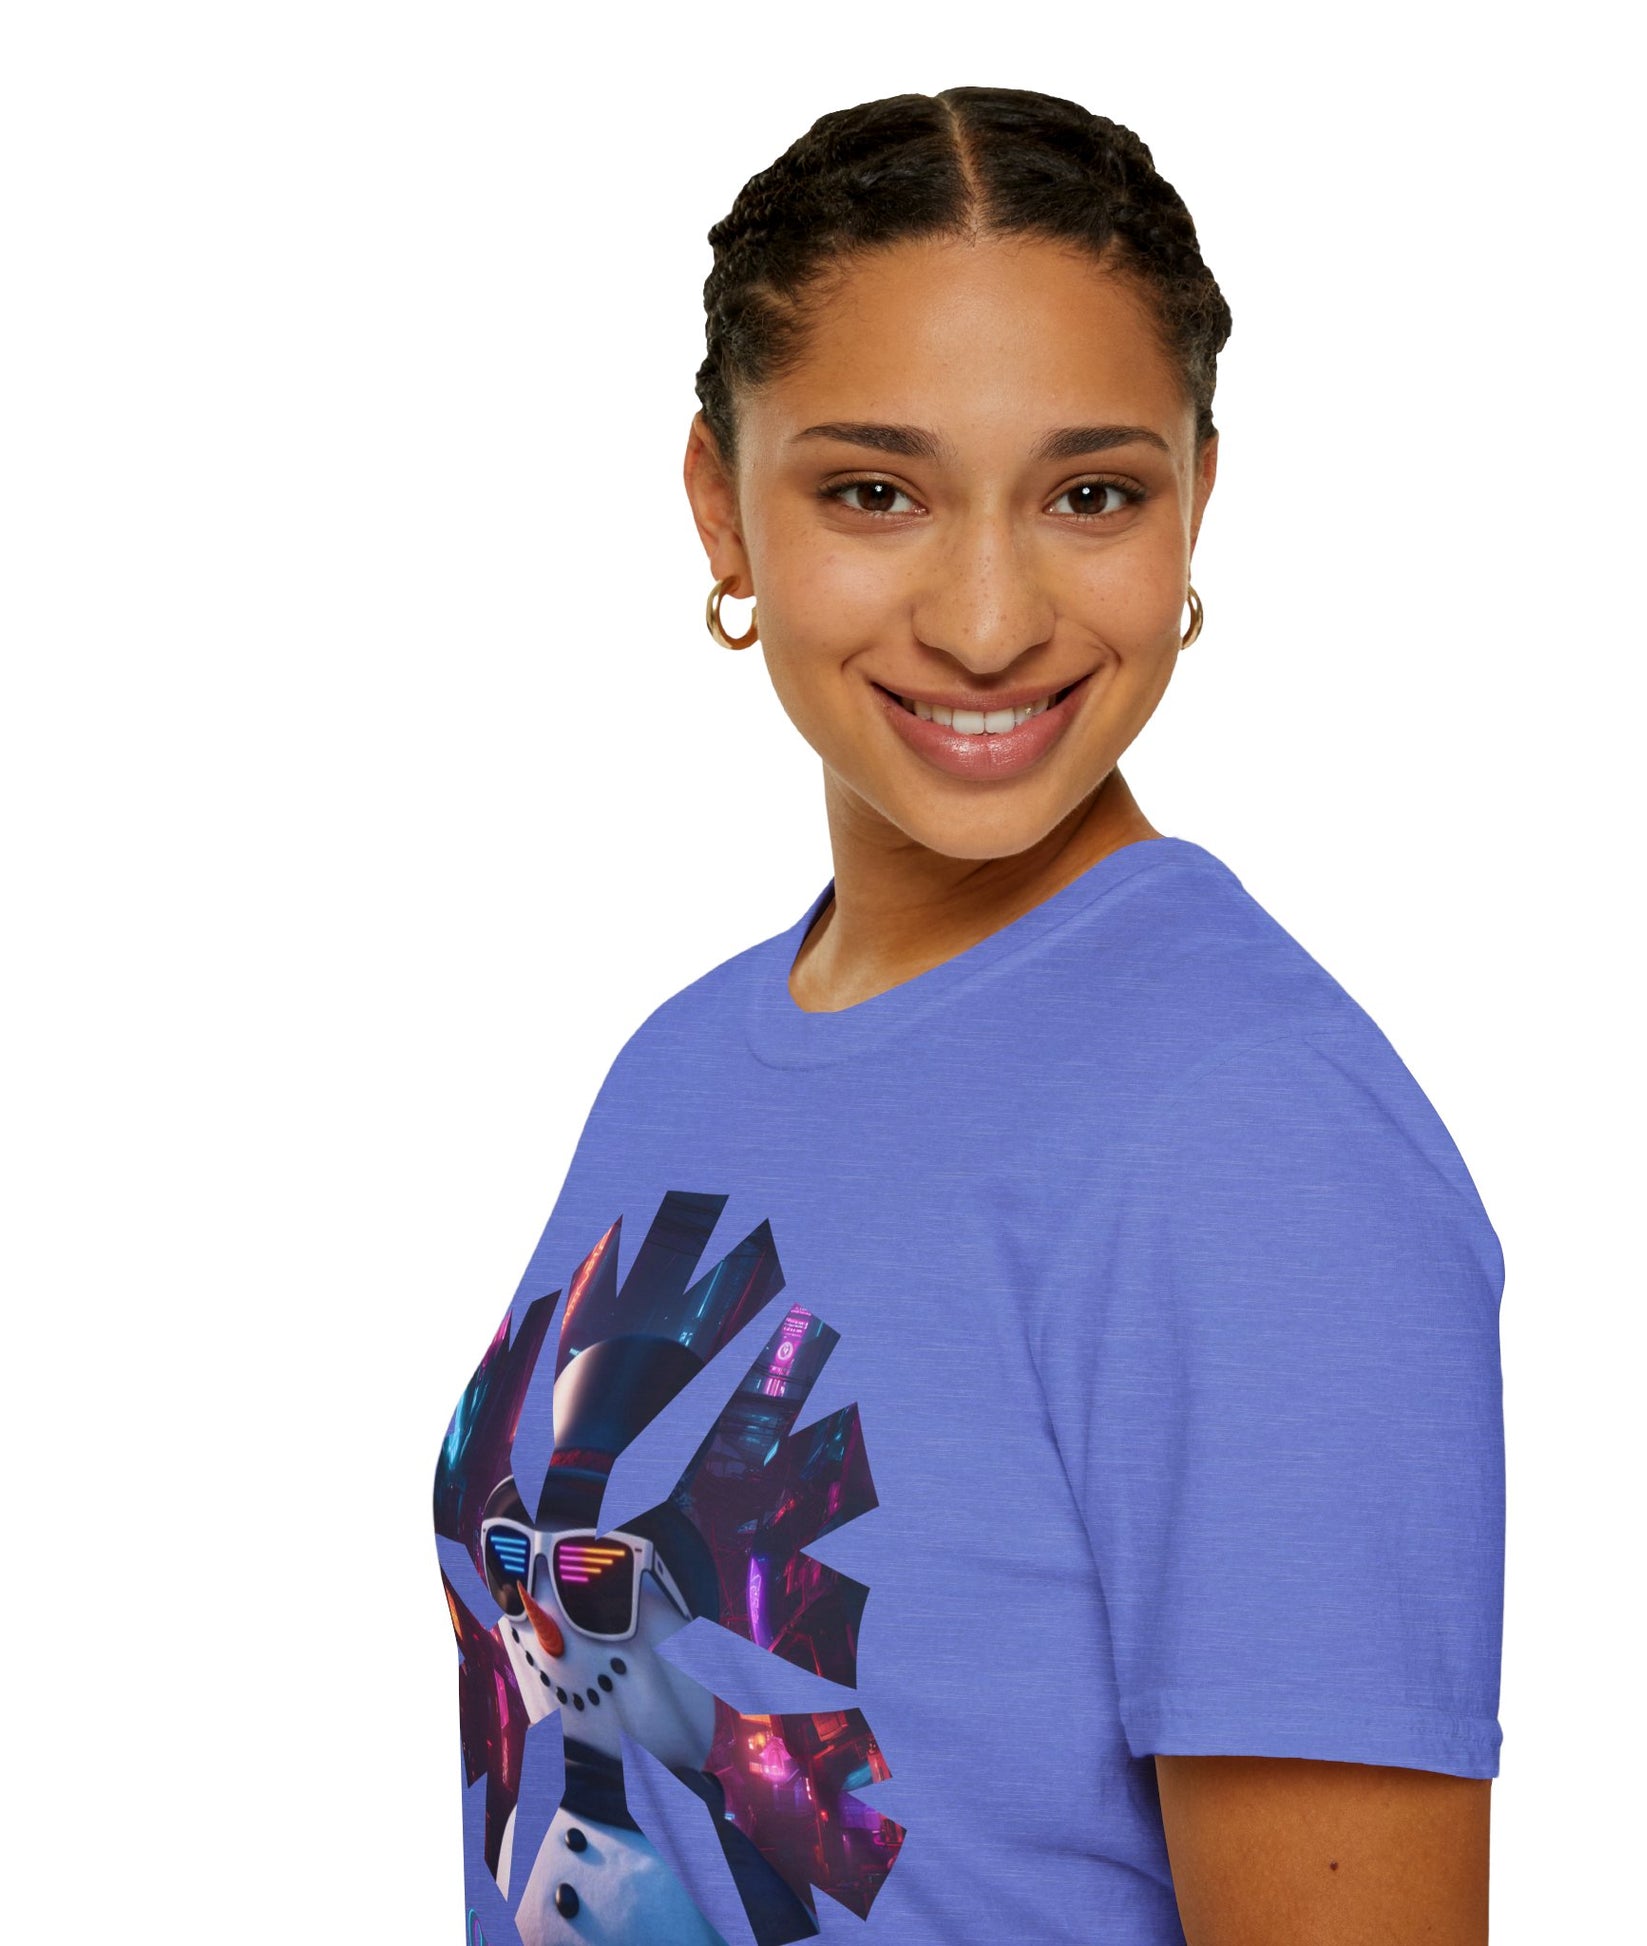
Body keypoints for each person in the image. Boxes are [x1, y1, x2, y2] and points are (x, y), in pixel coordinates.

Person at [432, 85, 1505, 1946]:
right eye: (875, 491)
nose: (990, 618)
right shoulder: (680, 1062)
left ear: (1197, 500)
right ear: (720, 503)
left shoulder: (1255, 1139)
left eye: (1092, 494)